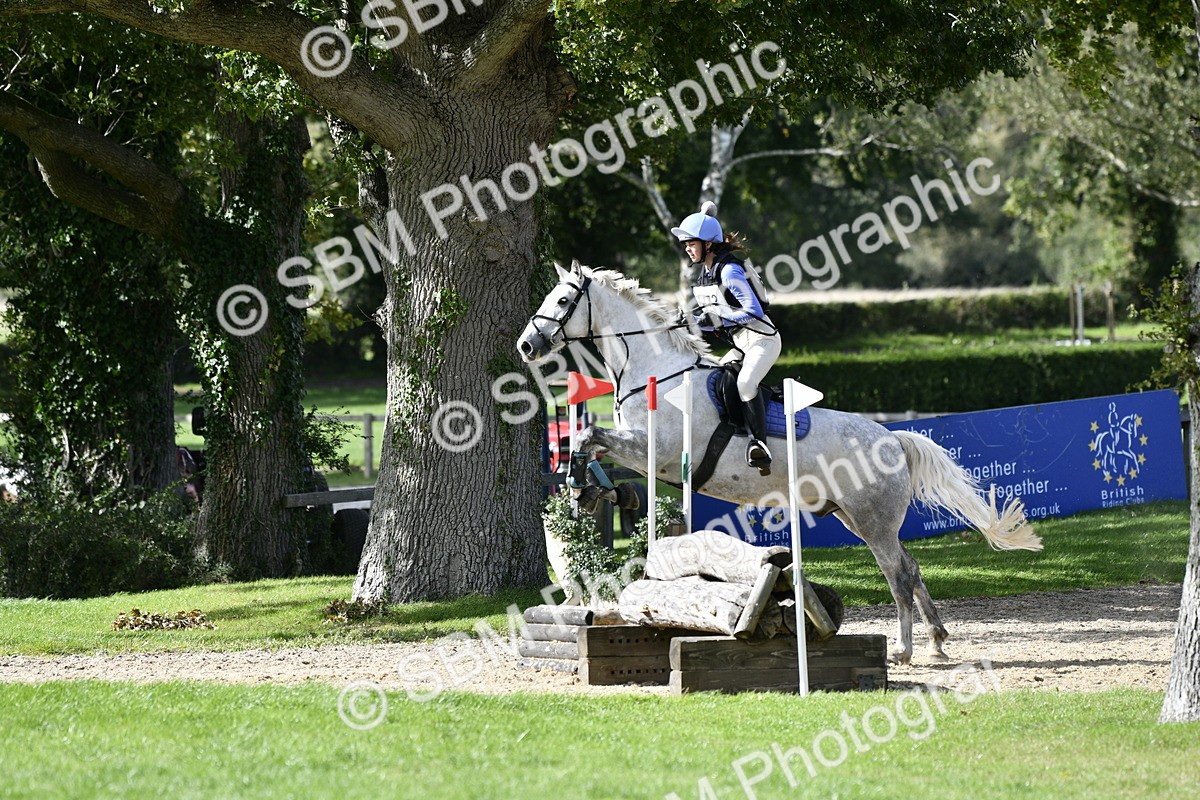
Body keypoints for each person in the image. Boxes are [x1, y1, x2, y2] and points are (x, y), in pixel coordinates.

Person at [672, 202, 781, 474]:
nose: (687, 248)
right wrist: (692, 321)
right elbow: (717, 322)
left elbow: (752, 311)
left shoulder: (729, 270)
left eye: (690, 243)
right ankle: (735, 432)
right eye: (685, 243)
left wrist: (714, 314)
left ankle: (760, 445)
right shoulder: (707, 273)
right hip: (740, 344)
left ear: (708, 244)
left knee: (745, 383)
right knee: (716, 380)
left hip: (762, 340)